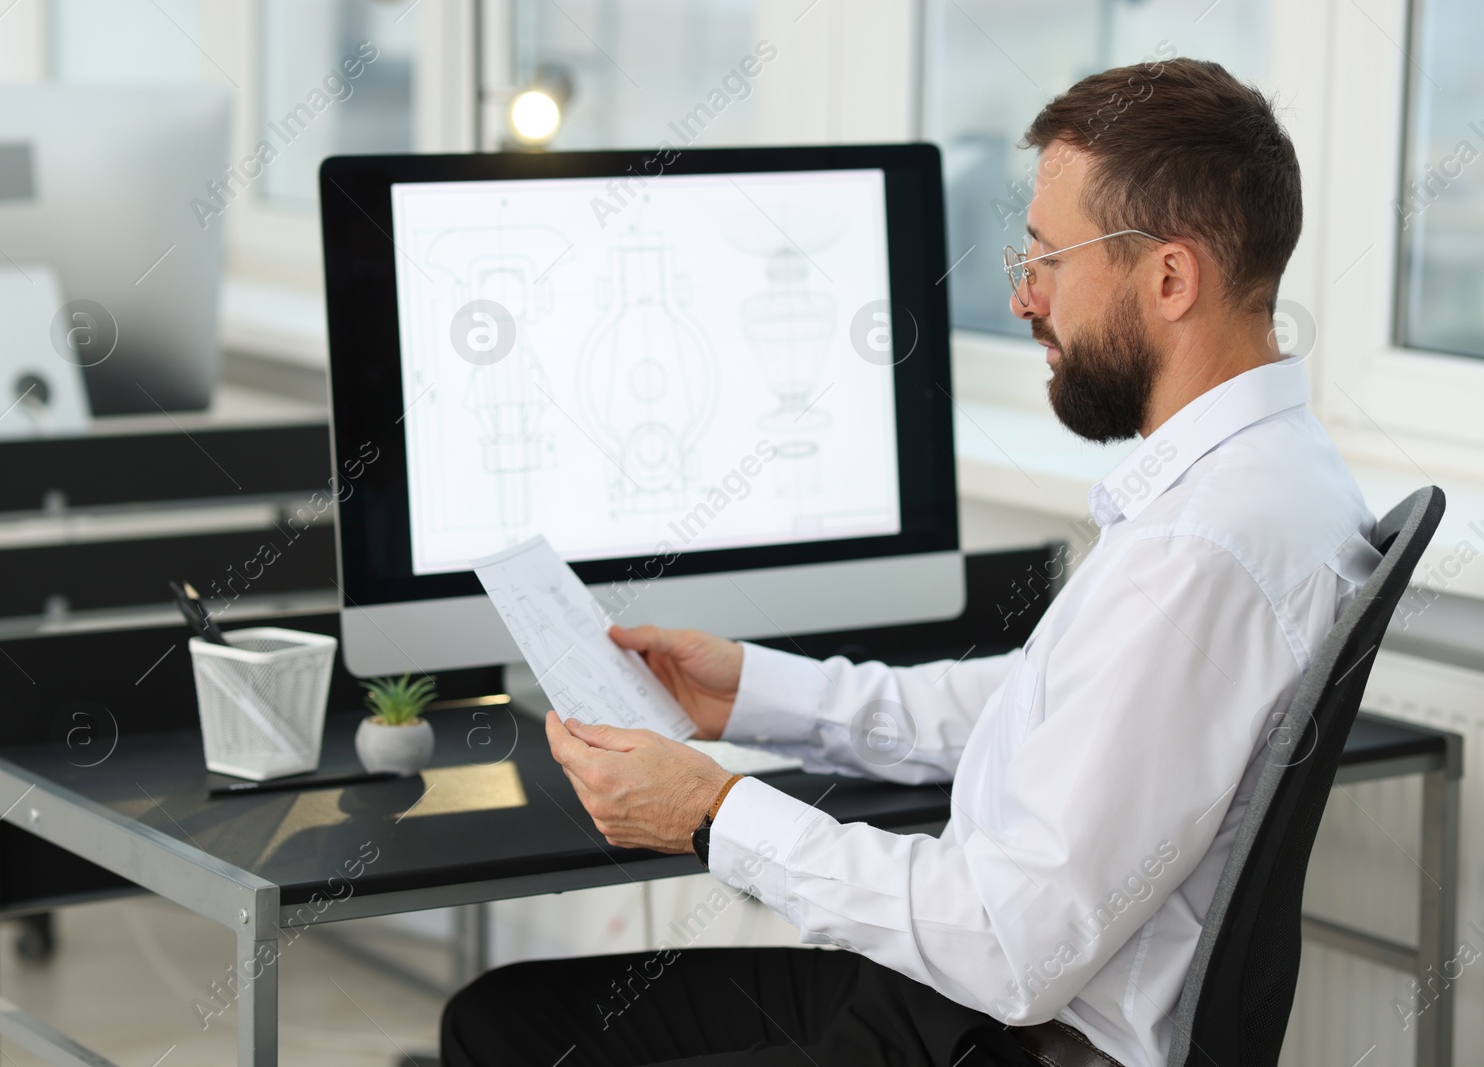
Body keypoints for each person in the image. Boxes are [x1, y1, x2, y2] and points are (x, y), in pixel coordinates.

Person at [441, 57, 1376, 1067]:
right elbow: (1047, 706)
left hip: (1003, 1031)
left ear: (1168, 277)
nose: (1026, 302)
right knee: (507, 1021)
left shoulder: (1202, 551)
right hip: (971, 1003)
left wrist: (714, 813)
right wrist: (751, 693)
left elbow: (1016, 943)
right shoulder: (1272, 475)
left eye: (1048, 261)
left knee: (516, 1040)